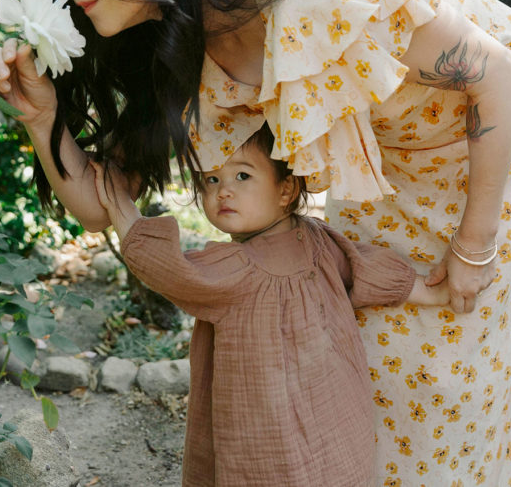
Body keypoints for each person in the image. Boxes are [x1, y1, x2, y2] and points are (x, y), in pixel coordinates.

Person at [0, 0, 511, 485]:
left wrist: (474, 247)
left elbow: (496, 75)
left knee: (451, 373)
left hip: (497, 118)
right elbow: (99, 204)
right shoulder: (173, 42)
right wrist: (41, 116)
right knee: (361, 349)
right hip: (382, 146)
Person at [90, 124, 448, 486]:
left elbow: (168, 268)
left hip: (264, 448)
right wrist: (435, 291)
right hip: (336, 434)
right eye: (211, 179)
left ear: (286, 188)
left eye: (242, 175)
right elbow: (364, 268)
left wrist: (119, 203)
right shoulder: (315, 241)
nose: (223, 191)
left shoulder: (240, 267)